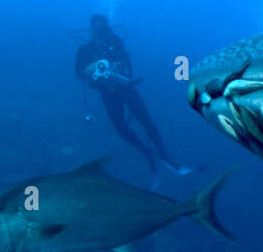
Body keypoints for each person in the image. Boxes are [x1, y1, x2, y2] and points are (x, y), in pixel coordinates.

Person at [74, 14, 190, 175]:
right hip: (107, 94)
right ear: (91, 28)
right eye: (96, 26)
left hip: (126, 89)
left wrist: (120, 76)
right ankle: (145, 151)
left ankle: (164, 155)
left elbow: (128, 65)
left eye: (103, 26)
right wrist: (91, 68)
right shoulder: (85, 49)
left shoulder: (115, 43)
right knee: (121, 129)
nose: (100, 30)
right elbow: (79, 72)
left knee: (146, 121)